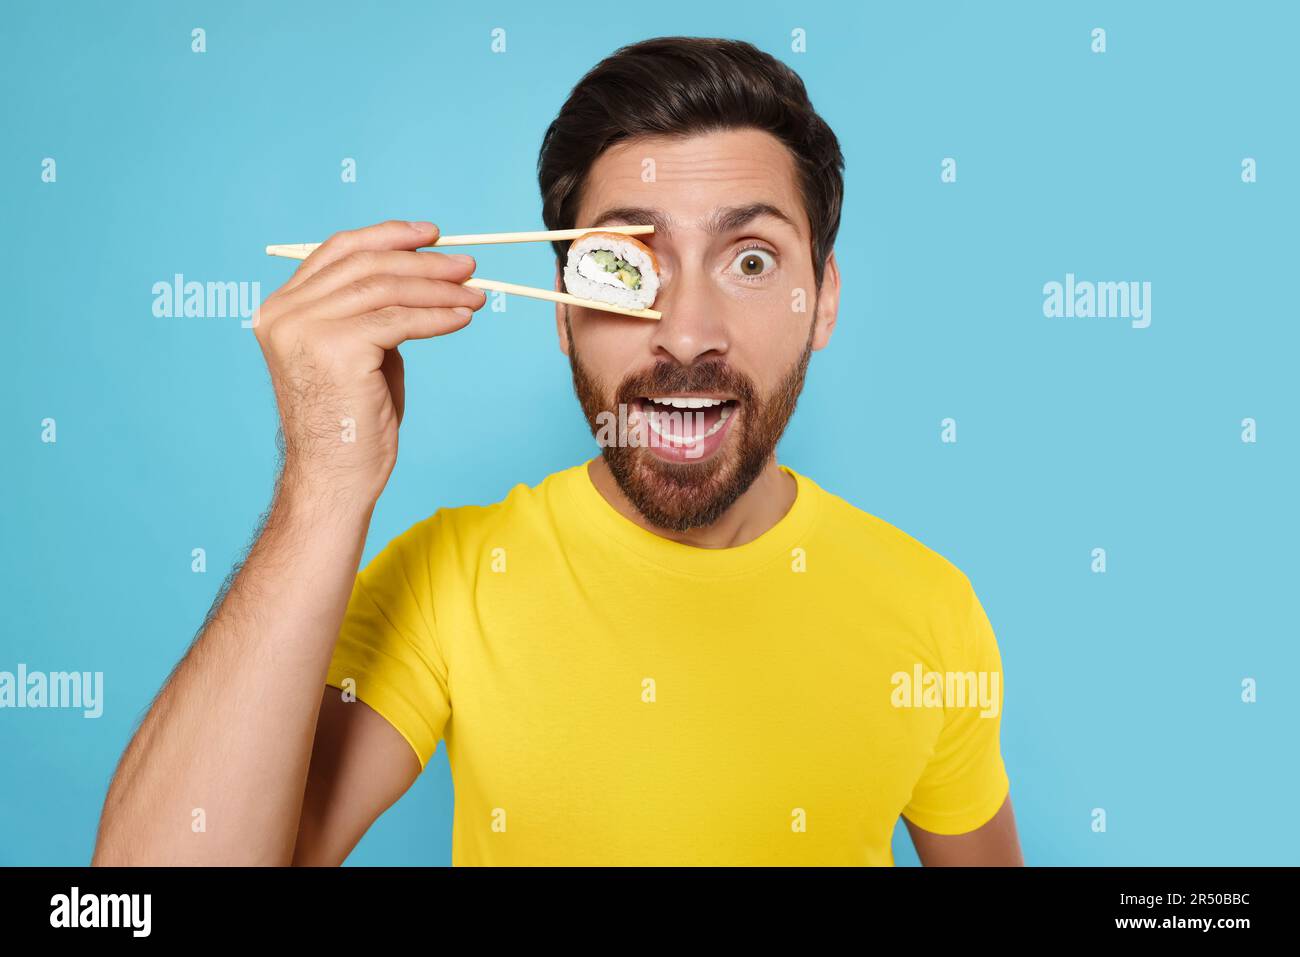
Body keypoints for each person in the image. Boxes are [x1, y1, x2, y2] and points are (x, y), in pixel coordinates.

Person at [93, 36, 1022, 866]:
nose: (687, 332)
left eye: (750, 260)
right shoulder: (451, 581)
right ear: (564, 308)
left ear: (821, 301)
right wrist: (322, 485)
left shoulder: (928, 610)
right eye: (624, 263)